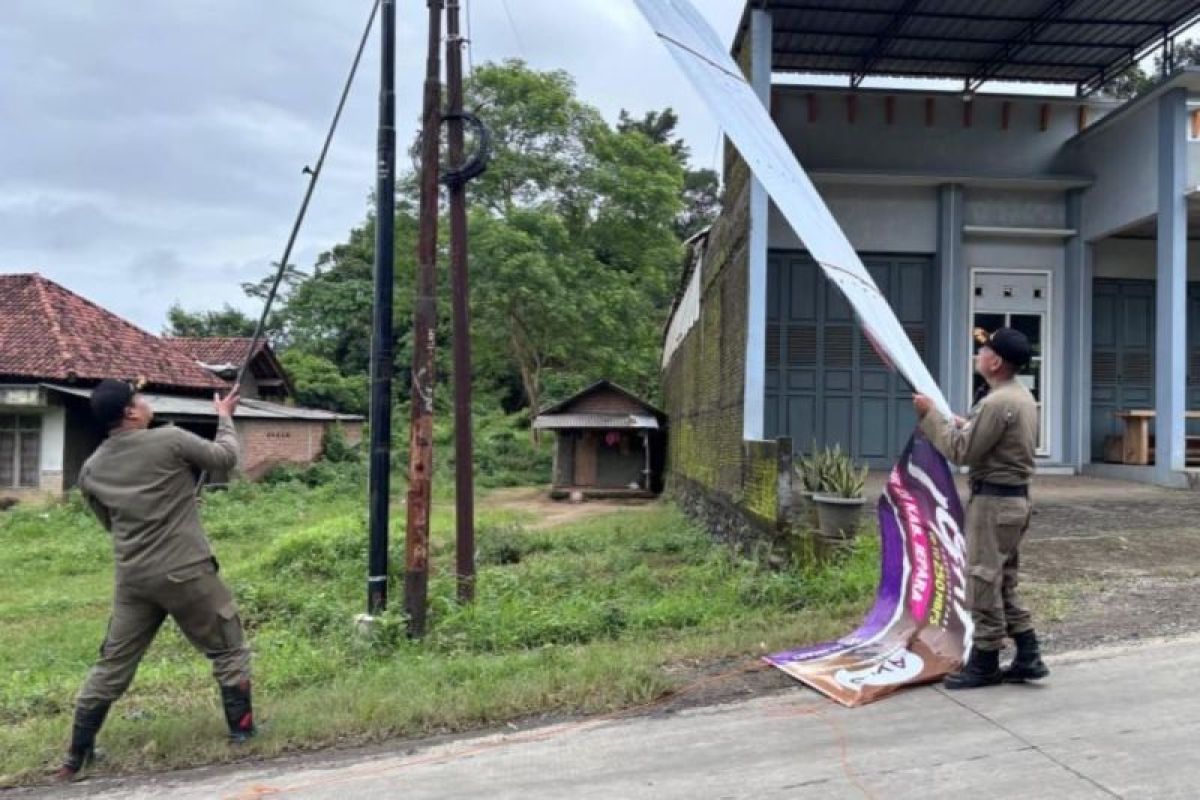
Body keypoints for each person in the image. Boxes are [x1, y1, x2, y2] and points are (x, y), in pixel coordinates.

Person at [55, 379, 254, 781]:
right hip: (187, 570)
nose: (146, 403)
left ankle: (77, 754)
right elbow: (225, 458)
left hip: (134, 580)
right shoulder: (170, 439)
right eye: (140, 398)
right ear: (130, 412)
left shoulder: (91, 469)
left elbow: (112, 523)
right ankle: (243, 734)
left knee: (112, 665)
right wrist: (224, 418)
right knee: (228, 648)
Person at [913, 328, 1050, 690]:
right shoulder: (1020, 396)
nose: (979, 354)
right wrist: (961, 424)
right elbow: (987, 437)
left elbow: (962, 452)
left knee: (982, 578)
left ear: (995, 361)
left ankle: (985, 661)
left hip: (994, 503)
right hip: (1015, 501)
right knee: (1003, 579)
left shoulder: (996, 403)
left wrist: (930, 416)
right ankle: (1028, 653)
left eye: (984, 350)